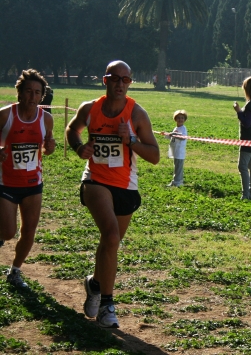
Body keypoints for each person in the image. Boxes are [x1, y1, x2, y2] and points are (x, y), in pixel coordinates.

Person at [65, 60, 160, 328]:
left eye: (125, 79)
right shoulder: (90, 109)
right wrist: (79, 147)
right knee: (111, 235)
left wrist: (131, 140)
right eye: (115, 78)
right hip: (95, 180)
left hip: (126, 186)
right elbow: (72, 129)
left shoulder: (137, 114)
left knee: (111, 244)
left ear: (130, 83)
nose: (120, 84)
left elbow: (155, 156)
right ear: (105, 80)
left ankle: (95, 284)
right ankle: (107, 304)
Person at [0, 69, 56, 288]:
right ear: (20, 93)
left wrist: (50, 148)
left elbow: (48, 147)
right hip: (6, 182)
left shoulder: (46, 119)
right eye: (29, 92)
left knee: (29, 230)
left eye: (37, 93)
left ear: (42, 96)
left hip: (33, 183)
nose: (33, 97)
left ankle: (15, 271)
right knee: (8, 231)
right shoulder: (5, 115)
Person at [167, 109, 188, 187]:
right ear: (175, 119)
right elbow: (172, 137)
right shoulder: (176, 128)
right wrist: (169, 134)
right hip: (175, 151)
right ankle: (176, 181)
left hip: (180, 152)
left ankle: (178, 182)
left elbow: (183, 137)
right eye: (178, 118)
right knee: (176, 166)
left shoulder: (183, 128)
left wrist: (175, 135)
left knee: (179, 167)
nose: (180, 119)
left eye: (182, 118)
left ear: (184, 120)